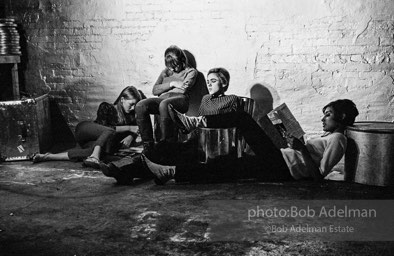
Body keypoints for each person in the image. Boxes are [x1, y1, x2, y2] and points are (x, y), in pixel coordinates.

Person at [142, 69, 359, 184]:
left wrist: (300, 148)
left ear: (341, 116)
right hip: (279, 164)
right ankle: (170, 172)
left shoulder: (339, 139)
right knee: (225, 167)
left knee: (242, 119)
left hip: (283, 167)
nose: (324, 119)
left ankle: (195, 122)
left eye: (328, 115)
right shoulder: (330, 136)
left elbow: (318, 177)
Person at [32, 86, 145, 169]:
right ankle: (94, 157)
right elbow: (106, 128)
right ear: (122, 100)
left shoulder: (131, 116)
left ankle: (47, 157)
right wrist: (130, 128)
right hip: (85, 131)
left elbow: (138, 128)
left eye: (135, 105)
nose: (133, 108)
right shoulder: (107, 107)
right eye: (131, 104)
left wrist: (131, 135)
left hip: (95, 143)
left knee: (99, 153)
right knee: (108, 132)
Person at [135, 45, 197, 154]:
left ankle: (166, 144)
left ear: (182, 61)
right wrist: (172, 83)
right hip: (163, 100)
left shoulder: (190, 72)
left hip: (180, 100)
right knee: (141, 105)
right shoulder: (166, 72)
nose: (172, 69)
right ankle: (148, 145)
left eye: (175, 65)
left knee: (164, 104)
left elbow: (183, 90)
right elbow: (155, 90)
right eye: (170, 66)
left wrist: (164, 87)